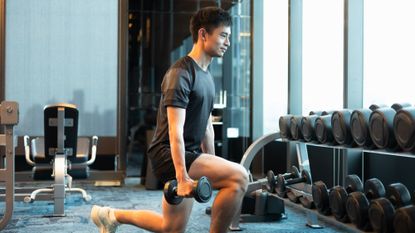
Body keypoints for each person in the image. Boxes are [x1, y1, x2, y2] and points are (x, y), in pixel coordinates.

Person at [90, 6, 248, 233]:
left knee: (170, 228)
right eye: (223, 35)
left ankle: (110, 215)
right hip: (168, 154)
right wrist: (182, 177)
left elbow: (206, 128)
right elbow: (175, 131)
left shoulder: (206, 76)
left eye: (229, 37)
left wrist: (214, 165)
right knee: (240, 177)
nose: (227, 42)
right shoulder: (181, 74)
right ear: (203, 34)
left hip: (191, 154)